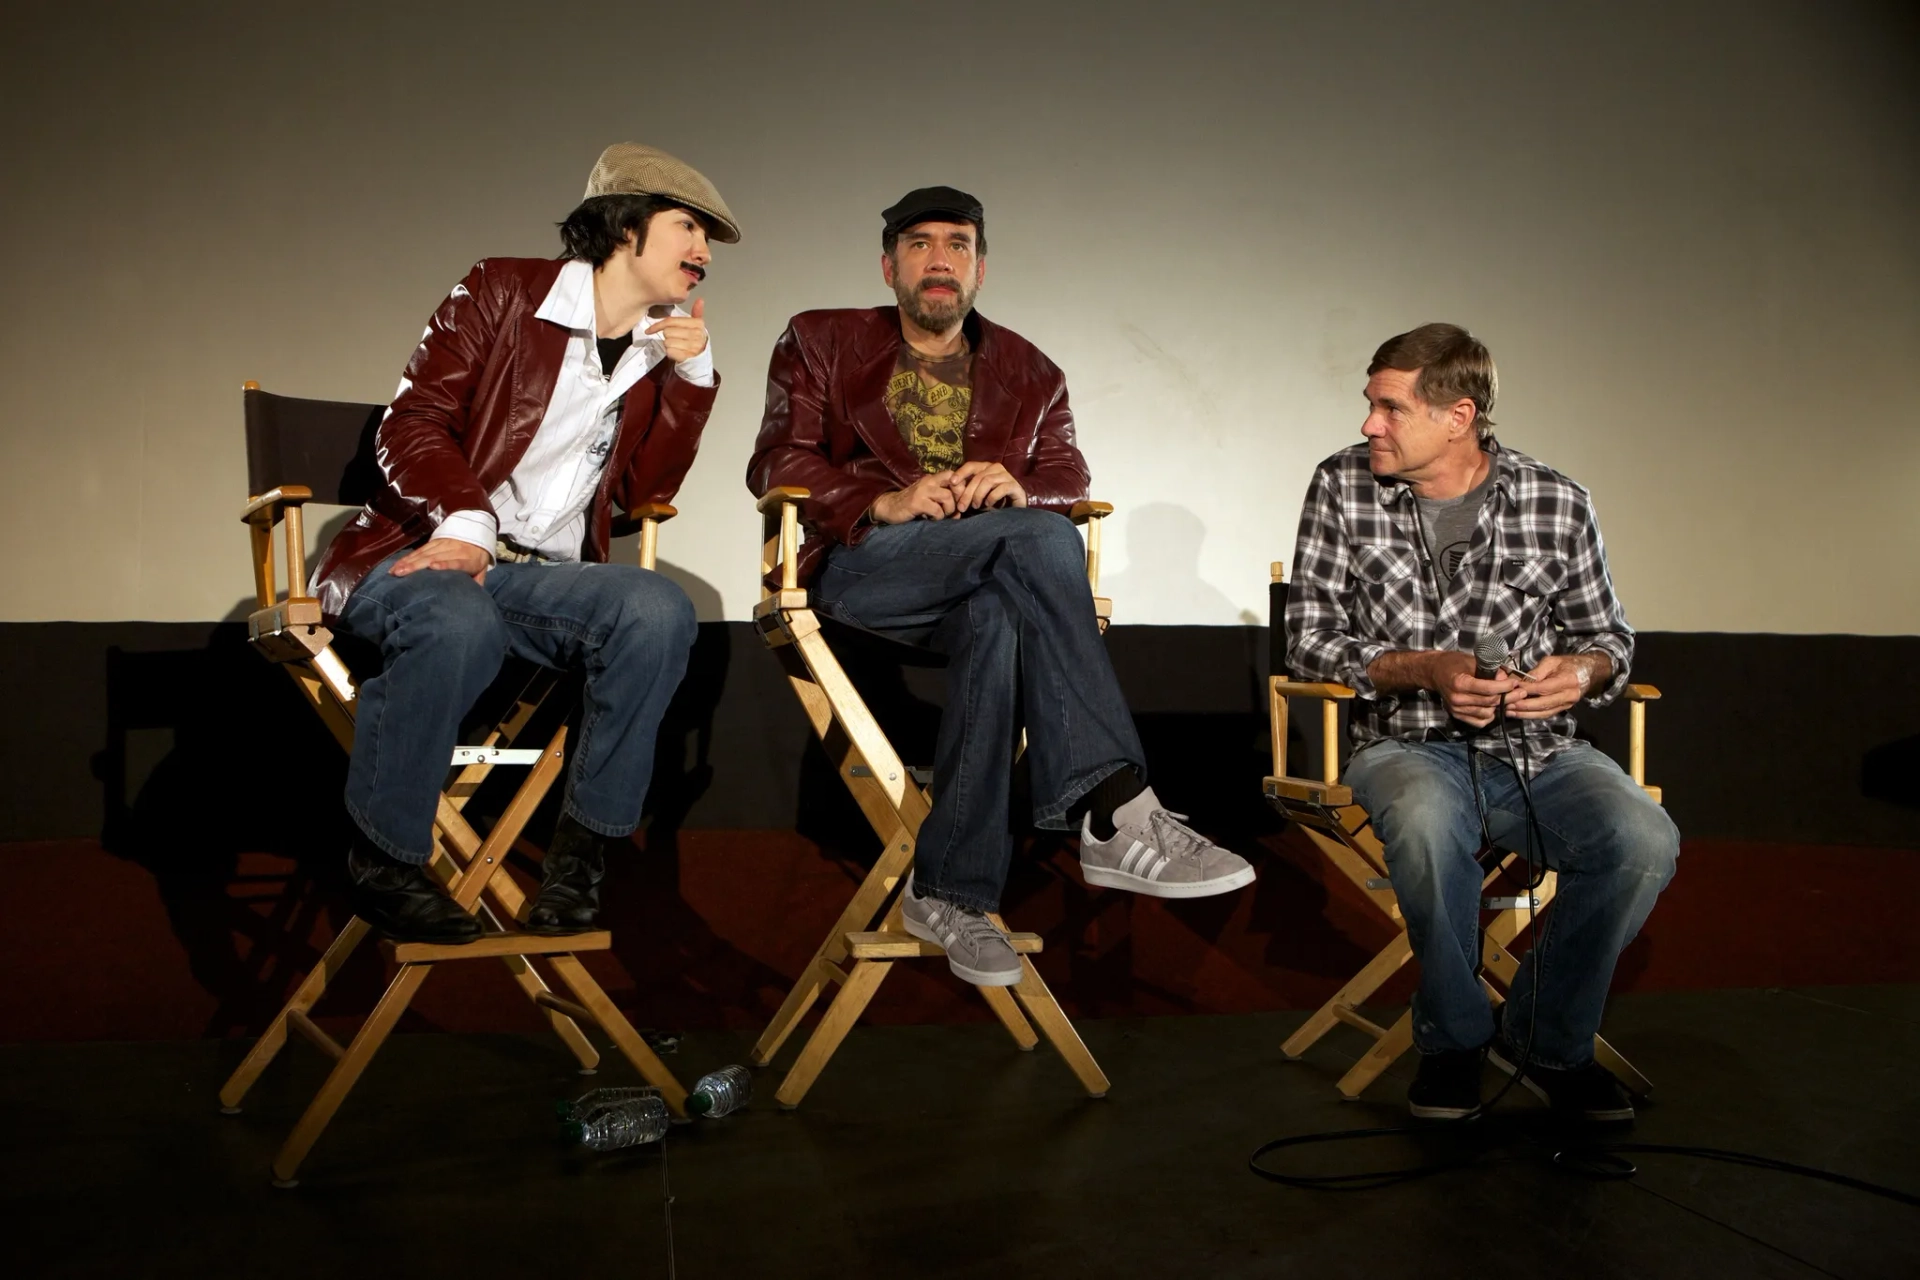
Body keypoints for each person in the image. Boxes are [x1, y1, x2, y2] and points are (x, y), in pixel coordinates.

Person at [747, 185, 1255, 989]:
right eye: (919, 244)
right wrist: (884, 499)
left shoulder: (1032, 369)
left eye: (957, 243)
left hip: (985, 573)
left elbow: (1066, 473)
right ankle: (1113, 804)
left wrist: (1020, 488)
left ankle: (948, 889)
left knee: (1002, 617)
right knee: (1043, 541)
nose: (939, 258)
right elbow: (778, 460)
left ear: (981, 266)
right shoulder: (821, 340)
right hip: (867, 565)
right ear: (889, 267)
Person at [309, 143, 739, 942]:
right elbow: (412, 423)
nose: (703, 253)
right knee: (457, 617)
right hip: (418, 556)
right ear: (626, 226)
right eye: (688, 227)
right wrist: (466, 520)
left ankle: (580, 858)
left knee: (655, 608)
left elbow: (647, 495)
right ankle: (386, 860)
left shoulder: (657, 347)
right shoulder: (501, 289)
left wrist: (692, 383)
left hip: (540, 584)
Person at [1286, 323, 1679, 1124]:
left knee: (1644, 840)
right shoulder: (1340, 485)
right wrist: (1425, 668)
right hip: (1404, 745)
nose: (1370, 425)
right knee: (1429, 825)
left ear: (1458, 416)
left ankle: (1543, 1038)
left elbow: (1608, 640)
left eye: (1389, 409)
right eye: (1371, 406)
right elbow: (1312, 639)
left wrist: (1578, 673)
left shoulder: (1558, 500)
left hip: (1539, 751)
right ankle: (1454, 1041)